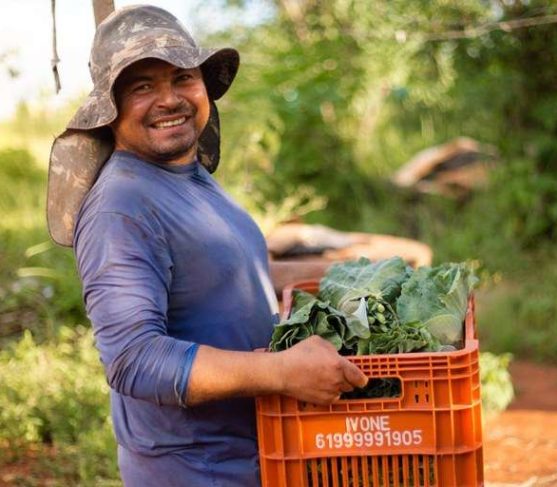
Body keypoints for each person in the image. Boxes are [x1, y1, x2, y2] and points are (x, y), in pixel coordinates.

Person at [46, 5, 367, 487]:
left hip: (251, 459)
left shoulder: (190, 179)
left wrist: (344, 283)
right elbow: (135, 360)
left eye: (182, 78)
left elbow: (226, 279)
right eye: (142, 87)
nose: (168, 99)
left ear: (204, 87)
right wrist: (281, 372)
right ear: (109, 107)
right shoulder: (122, 206)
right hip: (194, 470)